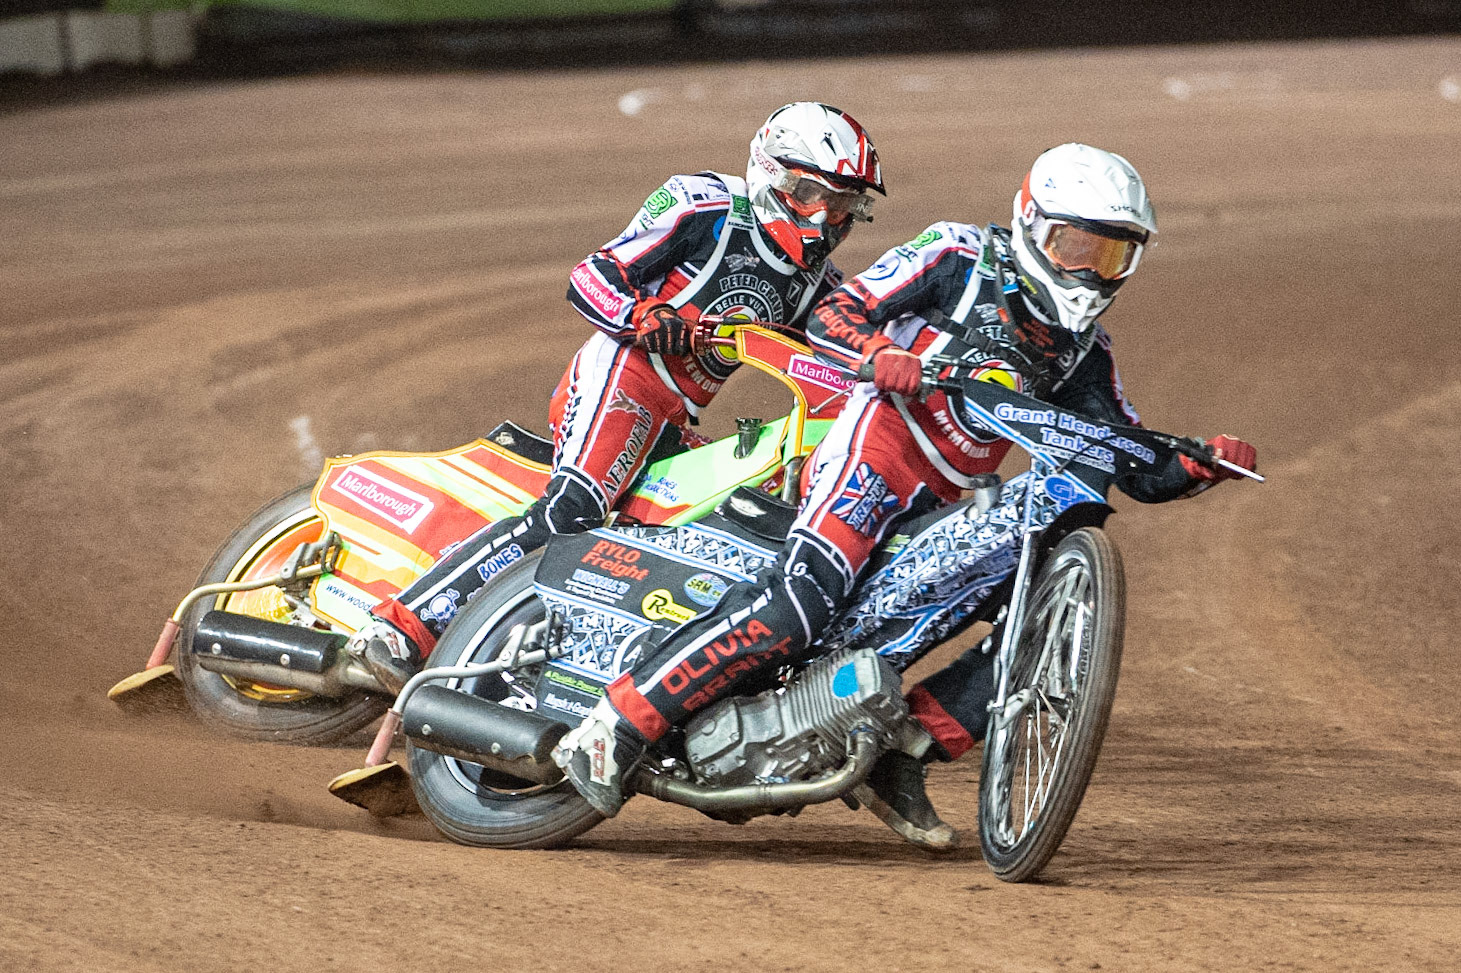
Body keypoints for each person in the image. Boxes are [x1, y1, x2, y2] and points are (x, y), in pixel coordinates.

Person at [553, 143, 1258, 851]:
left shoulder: (1083, 352)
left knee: (1031, 611)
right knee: (800, 602)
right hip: (873, 455)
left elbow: (1127, 459)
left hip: (946, 503)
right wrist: (878, 353)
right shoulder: (956, 255)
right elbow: (839, 312)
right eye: (1072, 246)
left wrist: (1197, 465)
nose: (1086, 271)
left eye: (1109, 256)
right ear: (1029, 222)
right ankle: (614, 725)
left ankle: (907, 753)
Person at [347, 103, 886, 694]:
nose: (825, 217)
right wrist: (642, 314)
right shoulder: (705, 205)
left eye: (842, 205)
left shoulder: (822, 285)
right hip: (623, 375)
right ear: (772, 173)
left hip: (679, 417)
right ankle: (397, 628)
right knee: (572, 512)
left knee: (693, 536)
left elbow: (841, 358)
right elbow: (592, 275)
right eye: (811, 194)